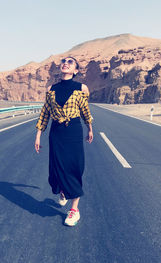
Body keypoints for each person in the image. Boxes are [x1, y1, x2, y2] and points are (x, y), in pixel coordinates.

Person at [34, 56, 93, 226]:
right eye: (63, 61)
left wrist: (90, 128)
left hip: (73, 130)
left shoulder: (82, 88)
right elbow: (45, 112)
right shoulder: (51, 88)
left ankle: (74, 210)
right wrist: (38, 135)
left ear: (75, 70)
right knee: (56, 167)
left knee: (74, 167)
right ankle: (62, 189)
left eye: (70, 62)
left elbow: (84, 109)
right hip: (56, 132)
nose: (65, 63)